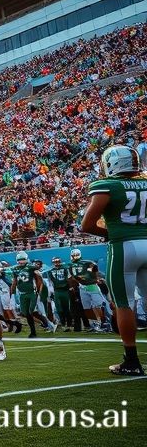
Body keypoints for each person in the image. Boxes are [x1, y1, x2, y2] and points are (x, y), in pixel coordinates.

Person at [81, 144, 147, 376]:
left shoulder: (106, 185)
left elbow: (86, 225)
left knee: (124, 303)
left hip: (123, 247)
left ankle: (131, 360)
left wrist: (109, 233)